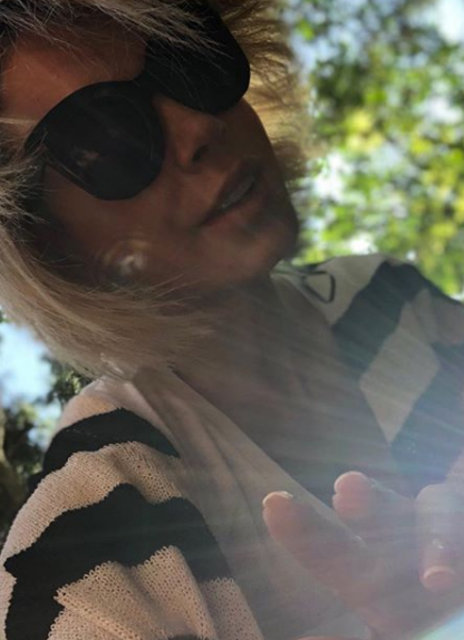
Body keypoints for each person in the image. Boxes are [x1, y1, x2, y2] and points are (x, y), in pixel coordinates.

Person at [0, 2, 464, 639]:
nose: (198, 127)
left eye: (192, 62)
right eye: (106, 135)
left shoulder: (390, 297)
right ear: (43, 240)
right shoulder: (88, 548)